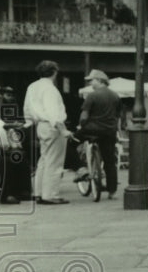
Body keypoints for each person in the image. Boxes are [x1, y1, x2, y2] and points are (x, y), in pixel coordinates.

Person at [23, 59, 70, 205]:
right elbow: (52, 111)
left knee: (43, 160)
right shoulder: (50, 89)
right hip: (52, 126)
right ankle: (50, 194)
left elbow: (27, 108)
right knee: (54, 161)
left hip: (40, 125)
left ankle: (38, 192)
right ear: (54, 72)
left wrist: (30, 121)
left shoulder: (32, 86)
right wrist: (62, 129)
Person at [75, 69, 121, 199]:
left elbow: (84, 116)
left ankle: (80, 169)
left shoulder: (92, 95)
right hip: (109, 132)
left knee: (70, 142)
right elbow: (118, 115)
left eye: (92, 80)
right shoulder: (115, 96)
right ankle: (112, 191)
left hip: (91, 130)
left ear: (100, 81)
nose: (90, 83)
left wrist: (81, 126)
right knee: (109, 161)